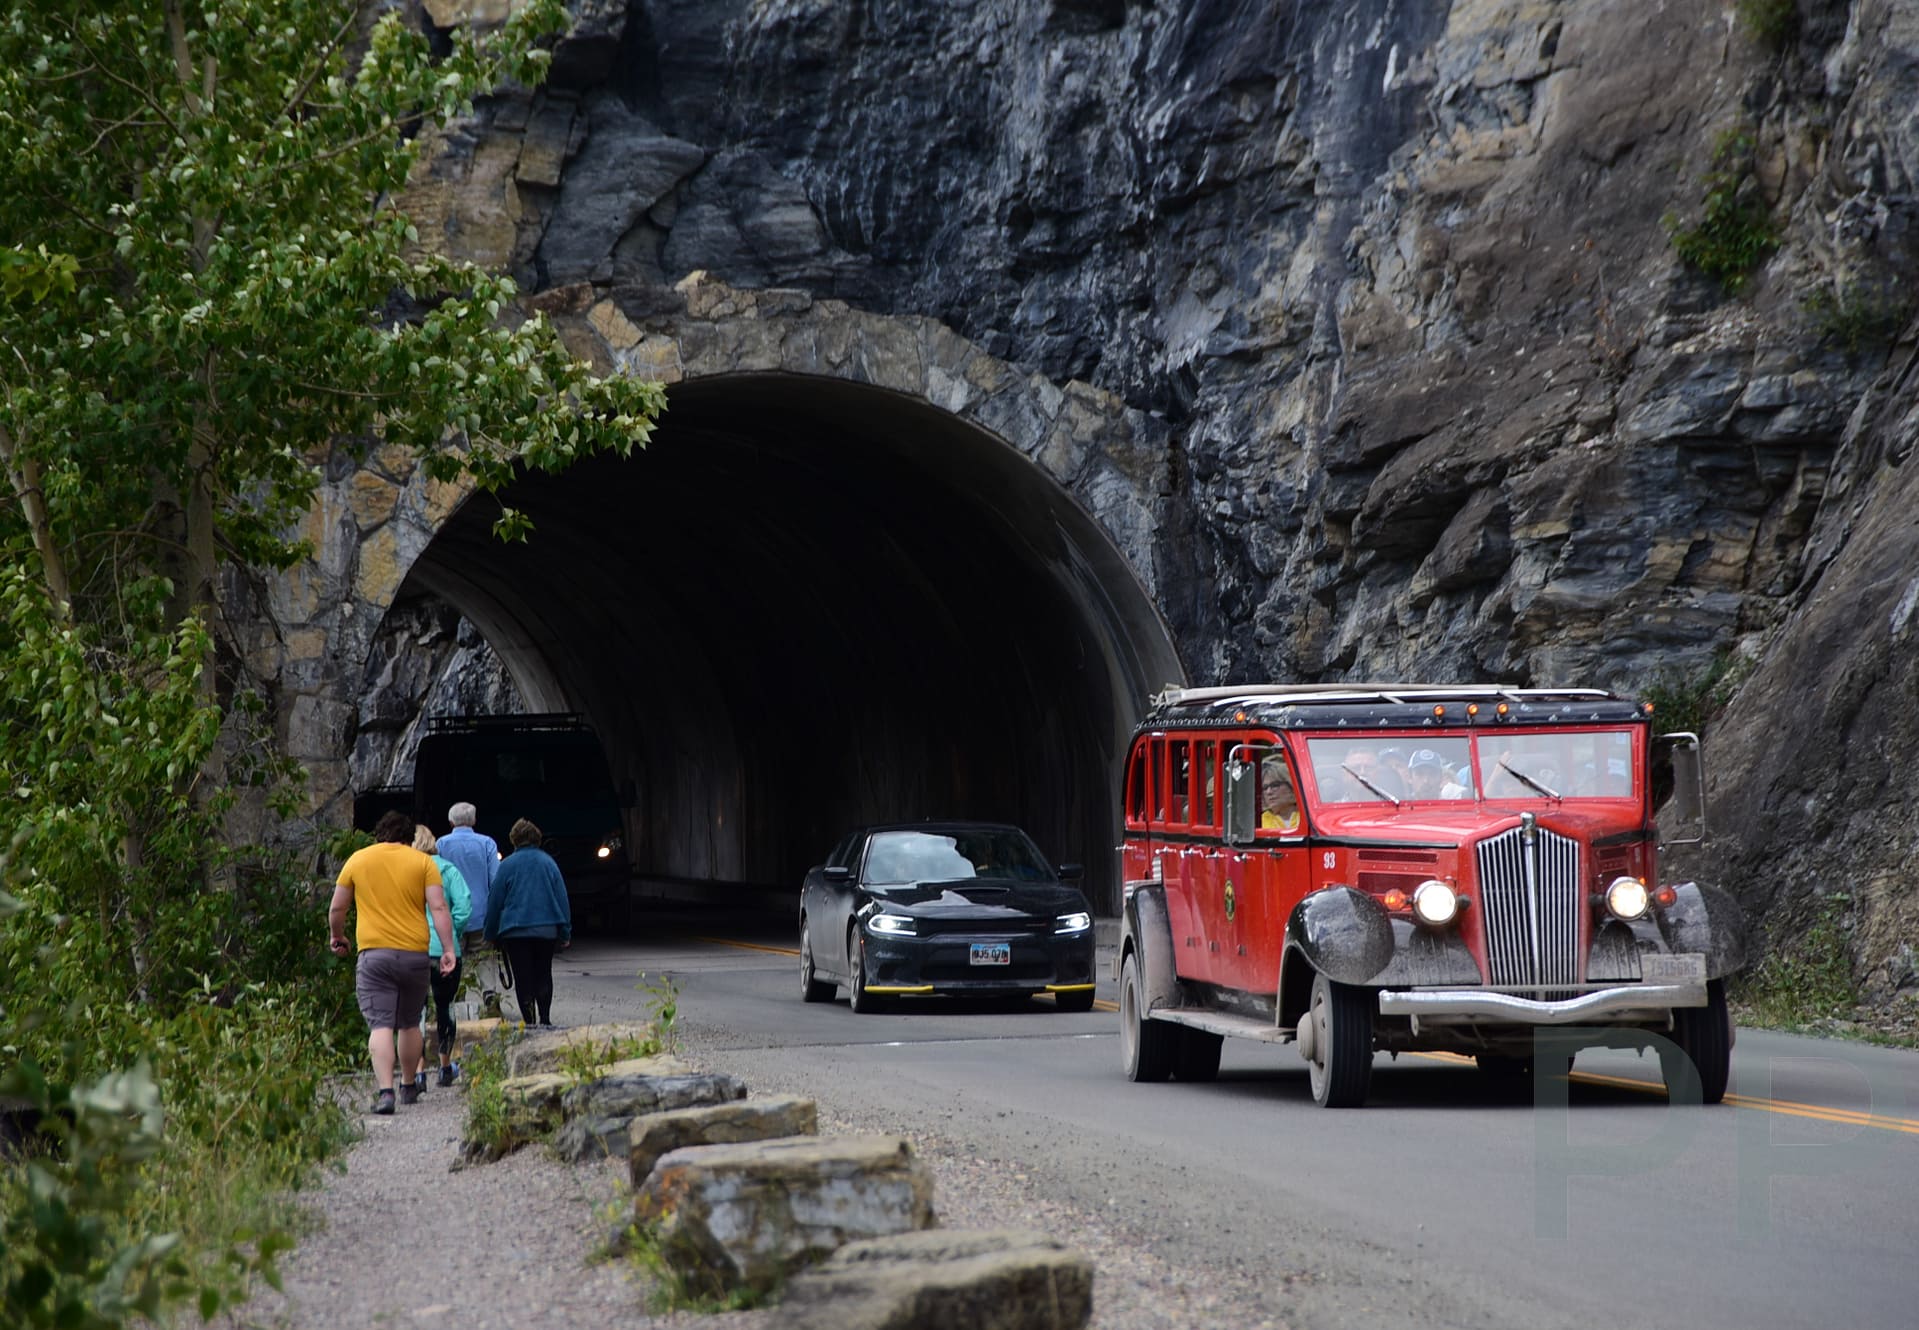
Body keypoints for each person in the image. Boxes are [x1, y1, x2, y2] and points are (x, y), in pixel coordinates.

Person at [329, 810, 457, 1115]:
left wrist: (338, 936)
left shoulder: (358, 860)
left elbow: (337, 907)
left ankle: (386, 1093)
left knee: (381, 1024)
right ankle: (409, 1085)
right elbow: (438, 907)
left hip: (374, 955)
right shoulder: (423, 862)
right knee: (410, 1022)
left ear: (379, 834)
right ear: (409, 837)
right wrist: (448, 948)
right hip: (414, 954)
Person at [484, 818, 572, 1028]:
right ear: (537, 838)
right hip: (546, 930)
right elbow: (562, 898)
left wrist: (490, 933)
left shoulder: (507, 866)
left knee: (523, 977)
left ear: (514, 839)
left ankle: (529, 1022)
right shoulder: (549, 863)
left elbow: (495, 901)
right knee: (543, 973)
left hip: (516, 932)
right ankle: (545, 1019)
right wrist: (565, 931)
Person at [413, 824, 472, 1089]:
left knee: (416, 1013)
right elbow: (463, 906)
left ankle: (417, 1072)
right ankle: (446, 1067)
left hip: (413, 948)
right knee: (445, 1008)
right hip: (445, 950)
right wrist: (453, 931)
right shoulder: (448, 870)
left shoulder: (406, 871)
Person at [438, 801, 501, 1008]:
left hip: (450, 914)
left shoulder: (441, 845)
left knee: (455, 957)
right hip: (481, 914)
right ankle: (490, 997)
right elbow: (495, 879)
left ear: (450, 821)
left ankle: (458, 1001)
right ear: (474, 820)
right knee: (484, 958)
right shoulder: (487, 843)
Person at [1259, 761, 1300, 831]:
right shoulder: (1258, 823)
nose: (1269, 792)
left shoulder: (1309, 818)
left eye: (1275, 785)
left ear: (1291, 787)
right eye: (1265, 788)